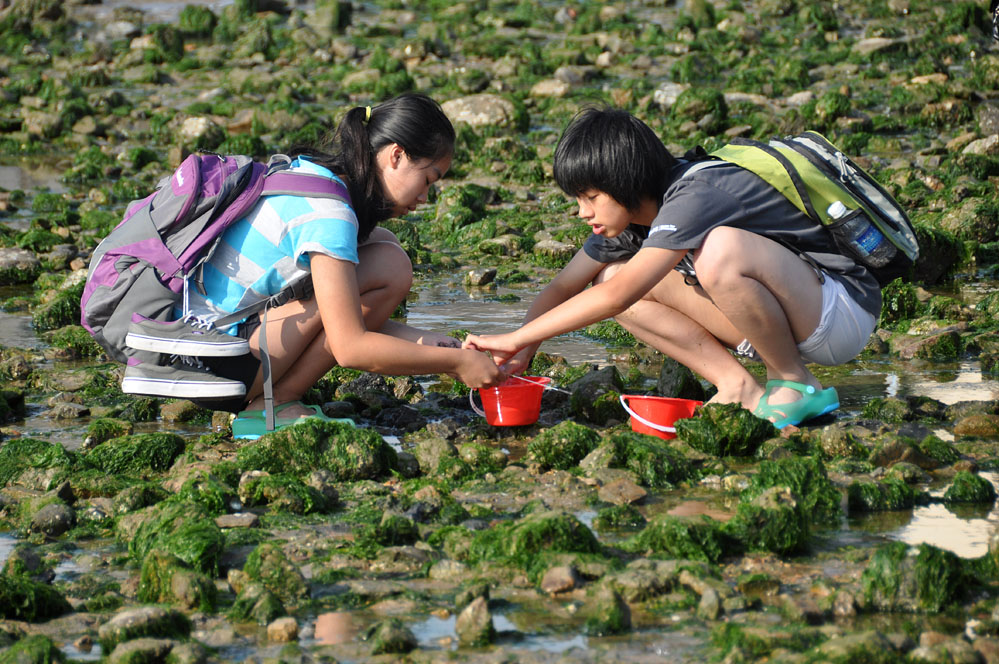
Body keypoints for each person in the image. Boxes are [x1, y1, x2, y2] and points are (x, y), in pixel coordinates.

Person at [463, 108, 881, 429]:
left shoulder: (697, 193)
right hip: (775, 319)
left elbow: (617, 296)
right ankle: (739, 387)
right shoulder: (627, 222)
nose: (581, 212)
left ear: (625, 181)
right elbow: (563, 288)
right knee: (609, 276)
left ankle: (794, 381)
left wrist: (513, 335)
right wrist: (522, 351)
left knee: (717, 251)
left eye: (590, 197)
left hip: (838, 310)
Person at [125, 93, 505, 437]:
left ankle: (271, 399)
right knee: (389, 265)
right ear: (396, 155)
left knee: (383, 249)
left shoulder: (310, 175)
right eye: (428, 179)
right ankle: (275, 405)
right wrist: (453, 365)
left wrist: (446, 347)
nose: (426, 197)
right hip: (210, 369)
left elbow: (344, 318)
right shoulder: (331, 215)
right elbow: (349, 347)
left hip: (190, 349)